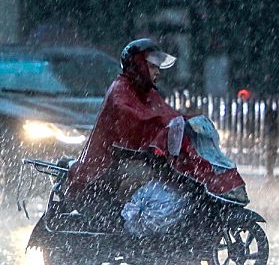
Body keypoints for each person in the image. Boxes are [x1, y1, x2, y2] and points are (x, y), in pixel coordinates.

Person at [65, 38, 249, 209]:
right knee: (157, 184)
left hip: (142, 159)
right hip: (114, 164)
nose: (157, 72)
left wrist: (188, 121)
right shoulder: (121, 90)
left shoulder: (146, 91)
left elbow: (165, 113)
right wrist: (165, 127)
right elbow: (137, 120)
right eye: (152, 67)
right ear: (139, 66)